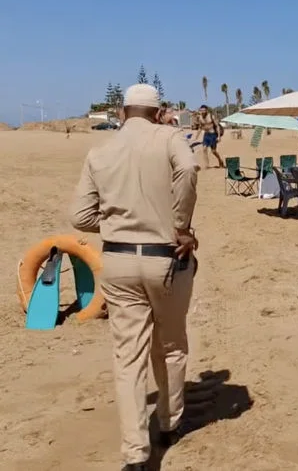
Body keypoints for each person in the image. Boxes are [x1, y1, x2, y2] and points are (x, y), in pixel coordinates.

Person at [69, 84, 200, 470]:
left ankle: (134, 453)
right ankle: (169, 422)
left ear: (123, 113)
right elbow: (190, 168)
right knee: (172, 344)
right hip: (166, 257)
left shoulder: (101, 151)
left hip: (119, 260)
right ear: (158, 113)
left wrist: (113, 225)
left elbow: (78, 217)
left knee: (128, 358)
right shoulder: (170, 137)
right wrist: (181, 225)